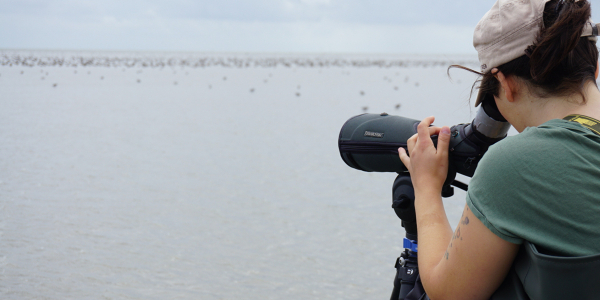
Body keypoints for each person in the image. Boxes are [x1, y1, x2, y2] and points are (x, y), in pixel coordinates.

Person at [397, 0, 600, 299]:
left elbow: (448, 293)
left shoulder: (518, 164)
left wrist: (426, 187)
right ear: (595, 67)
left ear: (505, 84)